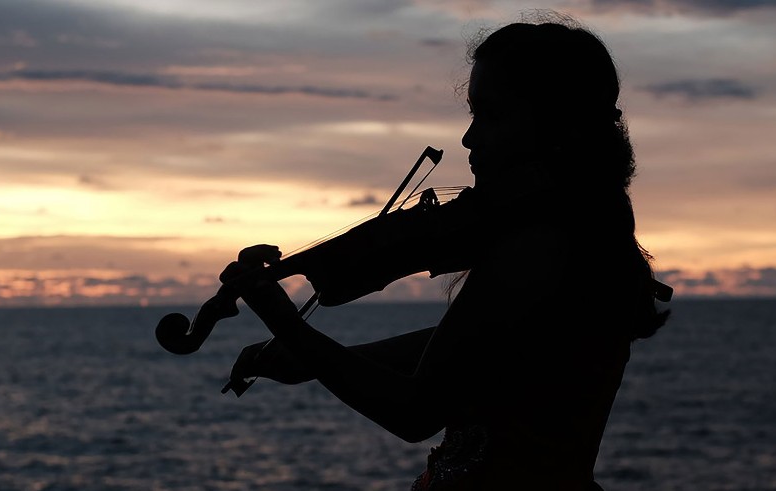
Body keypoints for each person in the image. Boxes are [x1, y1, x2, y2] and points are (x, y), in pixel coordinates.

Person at [222, 16, 670, 491]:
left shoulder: (540, 247)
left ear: (555, 123)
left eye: (491, 114)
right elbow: (470, 347)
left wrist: (288, 325)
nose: (469, 138)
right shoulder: (586, 232)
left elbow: (415, 411)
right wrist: (308, 358)